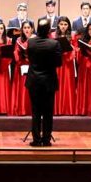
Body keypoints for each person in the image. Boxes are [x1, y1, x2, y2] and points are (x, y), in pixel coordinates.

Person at [26, 18, 62, 146]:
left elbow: (30, 59)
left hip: (34, 81)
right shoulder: (54, 44)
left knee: (35, 112)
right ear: (48, 30)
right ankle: (46, 139)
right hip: (48, 82)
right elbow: (59, 63)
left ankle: (36, 140)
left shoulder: (30, 42)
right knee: (48, 112)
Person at [54, 16, 77, 116]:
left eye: (65, 24)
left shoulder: (72, 35)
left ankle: (68, 109)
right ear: (58, 25)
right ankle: (56, 109)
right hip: (57, 63)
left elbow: (76, 49)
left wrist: (71, 47)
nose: (63, 27)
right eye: (61, 24)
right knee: (56, 85)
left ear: (68, 25)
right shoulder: (52, 35)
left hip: (67, 64)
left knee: (67, 85)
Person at [9, 21, 34, 116]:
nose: (27, 30)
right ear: (22, 30)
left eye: (28, 27)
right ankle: (21, 109)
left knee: (31, 89)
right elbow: (16, 52)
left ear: (32, 29)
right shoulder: (19, 40)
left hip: (32, 66)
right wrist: (21, 56)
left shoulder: (35, 39)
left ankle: (31, 109)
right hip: (22, 66)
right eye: (25, 28)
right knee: (22, 88)